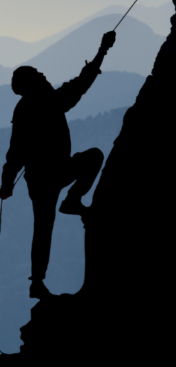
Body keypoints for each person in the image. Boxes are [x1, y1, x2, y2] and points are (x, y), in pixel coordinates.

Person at [0, 30, 116, 299]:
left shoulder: (31, 106)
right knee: (94, 157)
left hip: (40, 180)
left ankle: (37, 282)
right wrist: (102, 51)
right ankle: (73, 201)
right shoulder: (46, 101)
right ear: (33, 83)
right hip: (53, 174)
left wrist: (7, 185)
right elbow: (81, 84)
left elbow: (14, 154)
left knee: (43, 227)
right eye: (39, 75)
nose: (44, 76)